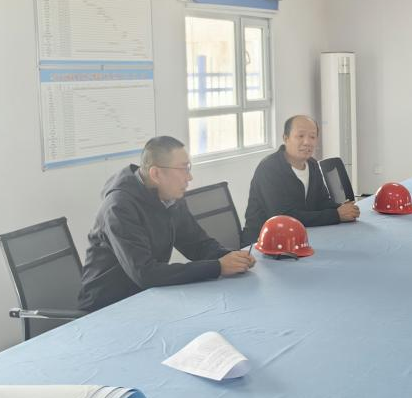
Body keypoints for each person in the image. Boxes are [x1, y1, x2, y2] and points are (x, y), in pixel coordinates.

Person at [79, 136, 254, 311]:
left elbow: (197, 245)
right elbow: (145, 273)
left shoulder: (169, 197)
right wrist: (218, 267)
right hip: (108, 308)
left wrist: (232, 257)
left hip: (148, 297)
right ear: (156, 174)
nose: (189, 177)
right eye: (183, 169)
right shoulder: (119, 207)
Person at [242, 115, 360, 245]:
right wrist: (336, 215)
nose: (307, 142)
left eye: (312, 137)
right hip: (264, 243)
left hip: (301, 237)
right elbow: (284, 217)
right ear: (285, 138)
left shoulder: (312, 164)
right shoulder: (269, 168)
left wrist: (344, 209)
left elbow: (322, 201)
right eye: (300, 136)